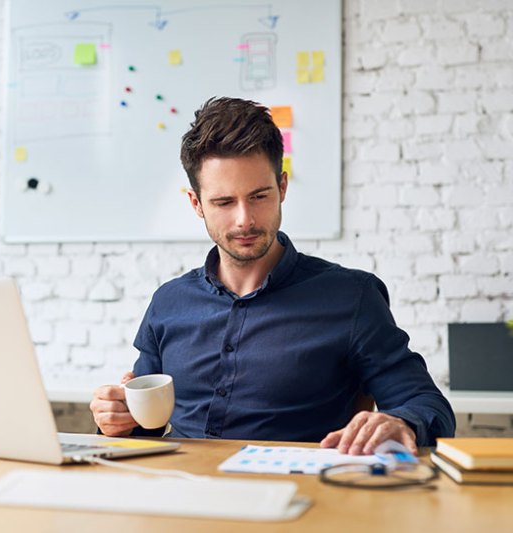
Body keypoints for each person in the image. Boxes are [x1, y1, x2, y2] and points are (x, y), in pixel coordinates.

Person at [90, 97, 455, 455]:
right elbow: (142, 424)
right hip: (182, 495)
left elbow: (427, 405)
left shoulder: (352, 297)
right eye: (223, 202)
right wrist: (118, 416)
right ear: (196, 204)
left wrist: (402, 421)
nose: (244, 219)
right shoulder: (169, 302)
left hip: (299, 499)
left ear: (282, 187)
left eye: (259, 196)